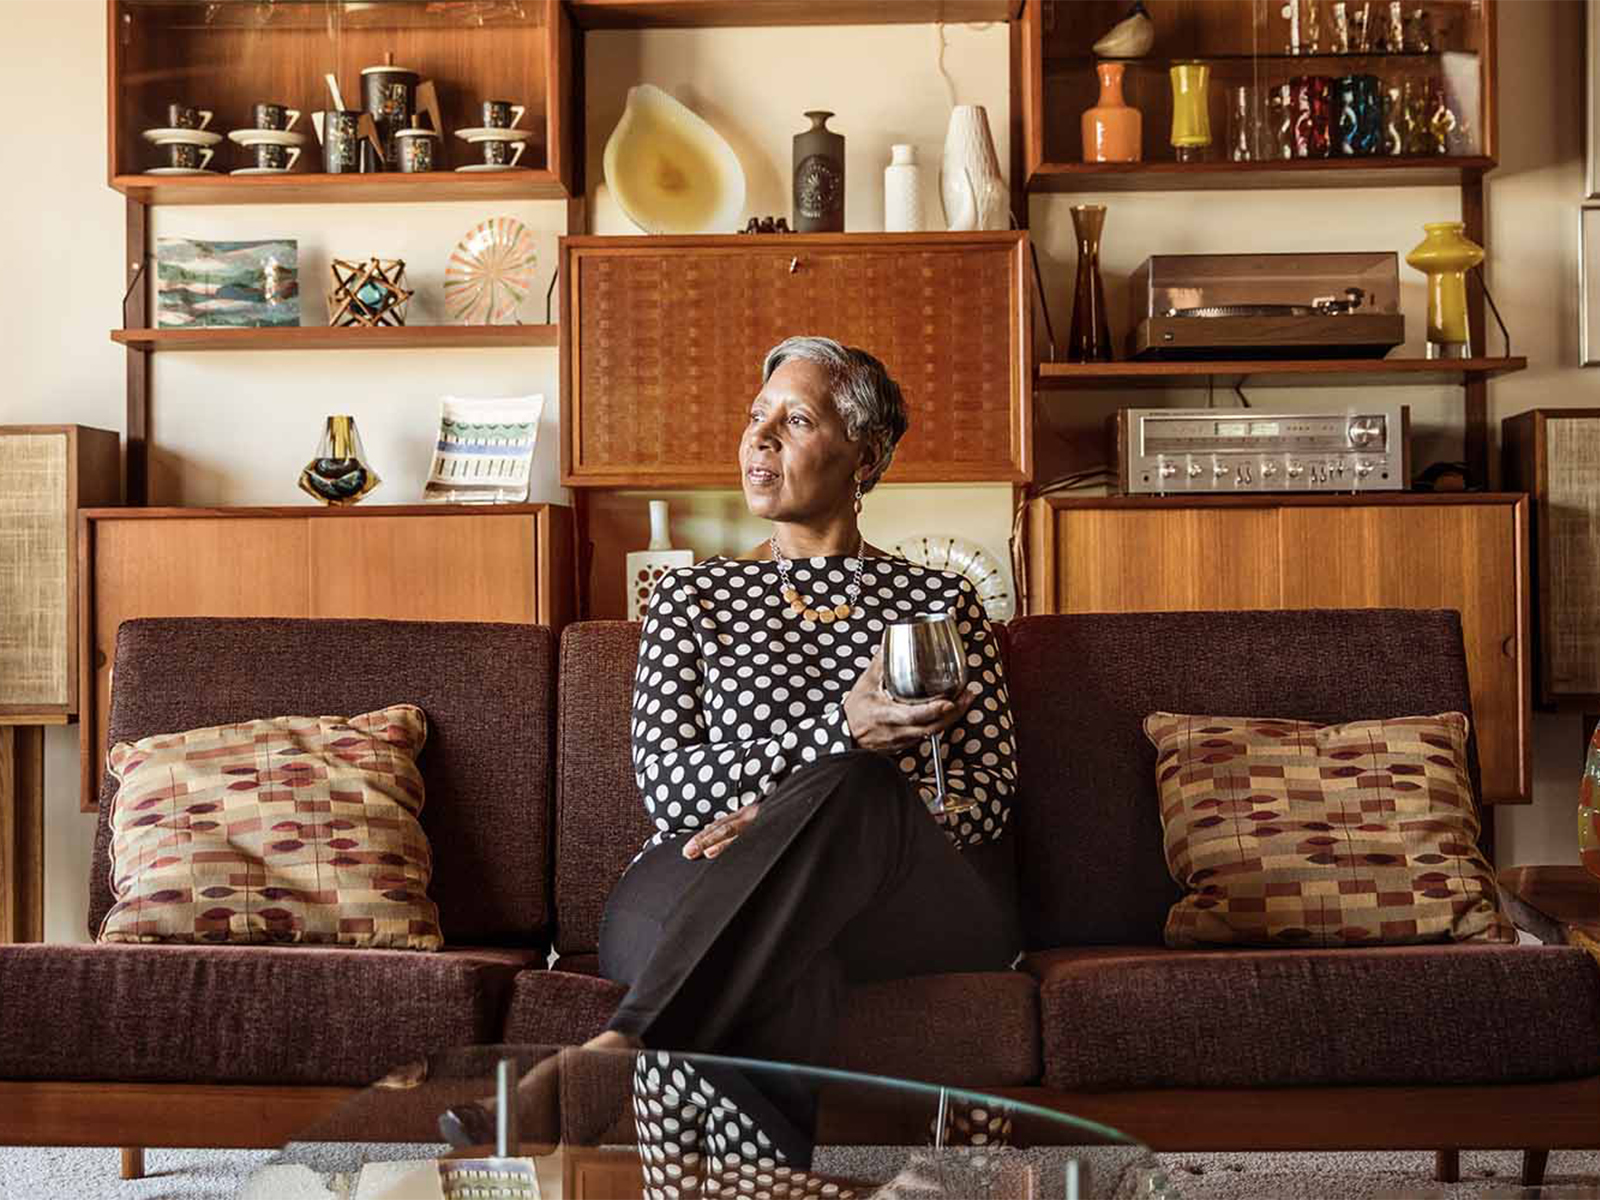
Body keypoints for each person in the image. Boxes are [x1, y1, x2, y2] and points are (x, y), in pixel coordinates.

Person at [441, 335, 1023, 1161]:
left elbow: (988, 790)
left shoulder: (939, 600)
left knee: (859, 787)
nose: (760, 438)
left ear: (864, 454)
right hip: (695, 874)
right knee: (792, 960)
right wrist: (833, 738)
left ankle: (618, 1051)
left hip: (902, 891)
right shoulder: (693, 595)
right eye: (757, 418)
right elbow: (672, 790)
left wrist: (799, 814)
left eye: (797, 419)